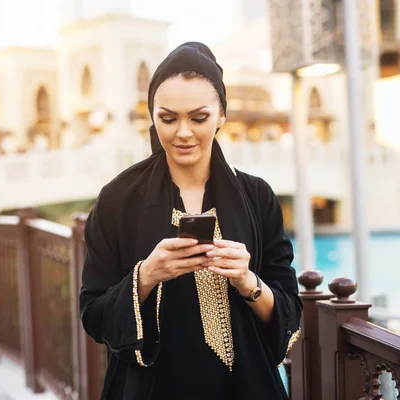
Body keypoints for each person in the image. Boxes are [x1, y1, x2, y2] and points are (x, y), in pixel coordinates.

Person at [79, 42, 302, 399]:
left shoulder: (257, 198)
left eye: (199, 118)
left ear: (221, 116)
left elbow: (289, 311)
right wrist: (147, 275)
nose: (183, 132)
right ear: (152, 115)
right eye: (168, 118)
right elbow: (93, 313)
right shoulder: (117, 200)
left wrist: (248, 281)